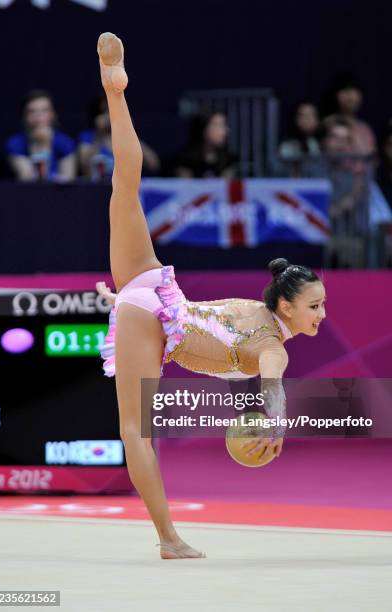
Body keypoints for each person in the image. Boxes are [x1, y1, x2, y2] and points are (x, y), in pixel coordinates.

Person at [94, 33, 327, 559]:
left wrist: (122, 306)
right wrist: (277, 421)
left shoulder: (249, 307)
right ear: (285, 307)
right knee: (135, 433)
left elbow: (187, 315)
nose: (321, 314)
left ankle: (116, 92)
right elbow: (272, 384)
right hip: (150, 314)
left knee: (124, 186)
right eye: (314, 305)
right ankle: (169, 541)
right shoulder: (274, 344)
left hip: (149, 286)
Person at [78, 95, 161, 180]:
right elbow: (84, 165)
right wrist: (99, 135)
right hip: (100, 189)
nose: (108, 116)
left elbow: (154, 164)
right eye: (104, 112)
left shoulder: (127, 140)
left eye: (112, 111)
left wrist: (130, 134)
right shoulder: (88, 136)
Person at [5, 90, 76, 182]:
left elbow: (68, 181)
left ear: (53, 115)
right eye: (32, 111)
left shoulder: (65, 142)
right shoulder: (14, 143)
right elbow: (28, 179)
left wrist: (46, 142)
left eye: (44, 110)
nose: (38, 117)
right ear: (24, 117)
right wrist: (42, 145)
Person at [174, 111, 237, 178]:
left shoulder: (229, 161)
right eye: (217, 125)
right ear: (203, 128)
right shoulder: (183, 160)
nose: (225, 131)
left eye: (224, 125)